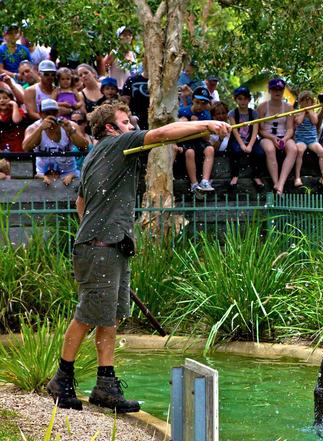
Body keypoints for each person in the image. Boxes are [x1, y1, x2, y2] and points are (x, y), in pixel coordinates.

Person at [45, 102, 230, 412]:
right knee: (88, 314)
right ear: (110, 128)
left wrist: (99, 234)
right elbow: (162, 134)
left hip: (110, 246)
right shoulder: (118, 144)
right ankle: (61, 379)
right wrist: (206, 125)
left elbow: (81, 202)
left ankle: (105, 385)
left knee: (110, 316)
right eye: (125, 122)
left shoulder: (94, 155)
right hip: (101, 248)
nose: (131, 127)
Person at [23, 98, 88, 185]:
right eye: (47, 113)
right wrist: (40, 129)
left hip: (69, 173)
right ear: (40, 114)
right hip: (43, 175)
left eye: (54, 112)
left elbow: (84, 147)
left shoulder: (70, 125)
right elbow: (26, 148)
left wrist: (71, 131)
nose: (51, 116)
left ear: (58, 112)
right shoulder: (33, 128)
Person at [257, 78, 297, 195]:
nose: (277, 92)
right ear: (269, 91)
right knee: (269, 149)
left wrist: (284, 139)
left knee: (293, 149)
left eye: (280, 89)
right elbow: (260, 129)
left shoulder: (289, 108)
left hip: (284, 136)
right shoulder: (262, 107)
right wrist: (272, 138)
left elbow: (290, 128)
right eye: (274, 89)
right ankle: (276, 183)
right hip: (267, 136)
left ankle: (281, 183)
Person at [227, 86, 265, 193]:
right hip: (237, 139)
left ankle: (256, 176)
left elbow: (255, 131)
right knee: (235, 151)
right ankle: (235, 176)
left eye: (245, 98)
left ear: (249, 99)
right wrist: (242, 145)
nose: (243, 101)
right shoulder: (232, 113)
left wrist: (250, 145)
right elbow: (235, 131)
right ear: (236, 100)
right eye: (240, 98)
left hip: (251, 139)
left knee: (259, 153)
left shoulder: (254, 113)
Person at [178, 86, 215, 193]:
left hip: (200, 140)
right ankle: (194, 183)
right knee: (189, 152)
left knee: (210, 149)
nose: (200, 106)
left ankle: (205, 181)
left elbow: (207, 137)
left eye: (203, 103)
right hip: (186, 141)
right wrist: (189, 124)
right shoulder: (182, 111)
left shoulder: (206, 115)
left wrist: (197, 125)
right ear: (193, 100)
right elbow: (177, 131)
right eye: (197, 102)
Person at [293, 90, 323, 189]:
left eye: (308, 101)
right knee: (299, 150)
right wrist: (303, 112)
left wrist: (309, 111)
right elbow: (299, 122)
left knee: (321, 152)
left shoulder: (313, 112)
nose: (306, 103)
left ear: (312, 103)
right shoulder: (297, 112)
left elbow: (315, 121)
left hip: (312, 140)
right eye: (304, 101)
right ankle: (297, 177)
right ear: (300, 102)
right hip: (300, 139)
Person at [121, 63, 150, 129]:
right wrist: (129, 116)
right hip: (136, 120)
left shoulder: (162, 81)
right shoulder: (132, 80)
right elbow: (124, 102)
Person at [0, 86, 26, 152]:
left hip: (16, 144)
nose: (2, 100)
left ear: (11, 100)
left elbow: (16, 120)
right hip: (3, 144)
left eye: (5, 98)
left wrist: (14, 105)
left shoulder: (17, 110)